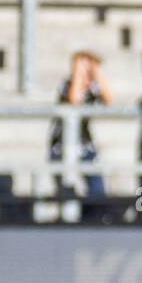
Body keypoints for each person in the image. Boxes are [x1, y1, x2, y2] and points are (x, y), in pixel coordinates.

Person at [49, 51, 112, 205]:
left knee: (97, 189)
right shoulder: (67, 84)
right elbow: (74, 99)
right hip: (61, 145)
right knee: (66, 191)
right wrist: (78, 71)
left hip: (85, 144)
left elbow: (109, 99)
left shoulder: (93, 88)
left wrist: (97, 74)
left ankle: (94, 218)